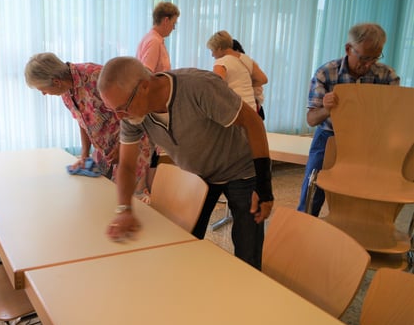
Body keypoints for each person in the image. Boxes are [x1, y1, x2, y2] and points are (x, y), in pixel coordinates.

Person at [97, 56, 274, 270]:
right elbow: (126, 165)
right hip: (199, 174)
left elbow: (253, 122)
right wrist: (124, 209)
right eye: (114, 110)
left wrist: (264, 186)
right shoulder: (132, 115)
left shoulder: (198, 87)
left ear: (144, 86)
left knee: (248, 255)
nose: (120, 116)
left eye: (122, 107)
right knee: (183, 244)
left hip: (241, 170)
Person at [297, 23, 400, 216]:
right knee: (313, 192)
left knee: (361, 194)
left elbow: (394, 117)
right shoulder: (326, 73)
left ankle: (351, 229)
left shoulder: (387, 76)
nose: (368, 64)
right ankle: (303, 225)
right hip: (329, 137)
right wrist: (327, 109)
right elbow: (311, 119)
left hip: (369, 141)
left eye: (375, 57)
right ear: (348, 49)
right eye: (364, 57)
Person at [24, 53, 150, 189]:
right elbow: (83, 122)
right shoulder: (66, 92)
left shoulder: (96, 77)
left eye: (43, 89)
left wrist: (121, 146)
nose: (44, 94)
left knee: (128, 195)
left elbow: (132, 110)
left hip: (132, 145)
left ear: (56, 82)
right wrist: (84, 155)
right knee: (101, 193)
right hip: (105, 153)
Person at [136, 1, 180, 193]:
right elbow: (146, 74)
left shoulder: (154, 40)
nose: (173, 28)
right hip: (152, 106)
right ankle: (146, 191)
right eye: (173, 23)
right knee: (150, 149)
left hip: (154, 105)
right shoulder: (153, 41)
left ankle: (148, 190)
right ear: (165, 20)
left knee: (152, 149)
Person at [207, 31, 268, 119]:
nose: (212, 55)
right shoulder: (246, 59)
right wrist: (246, 85)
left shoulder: (221, 62)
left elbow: (217, 87)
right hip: (251, 108)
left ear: (219, 48)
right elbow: (263, 79)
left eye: (212, 50)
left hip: (235, 110)